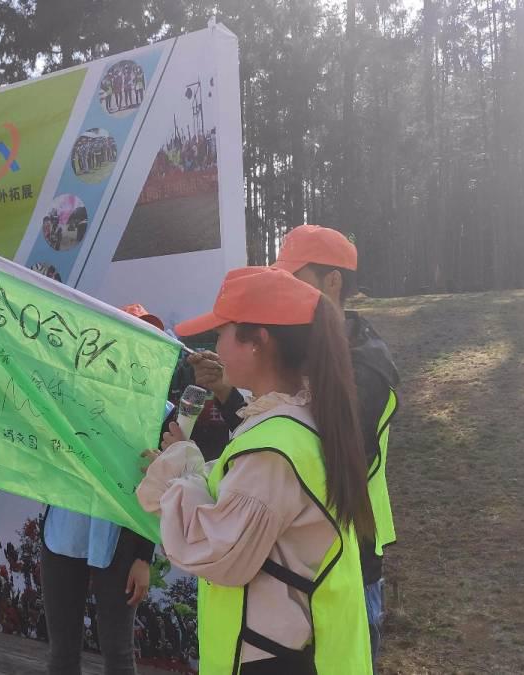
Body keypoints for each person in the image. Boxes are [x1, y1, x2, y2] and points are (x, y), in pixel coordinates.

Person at [137, 266, 374, 674]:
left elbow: (218, 549)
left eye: (221, 334)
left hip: (273, 660)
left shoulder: (273, 449)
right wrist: (187, 464)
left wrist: (175, 471)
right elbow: (236, 495)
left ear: (257, 342)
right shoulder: (298, 420)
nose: (214, 349)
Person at [190, 225, 401, 664]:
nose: (284, 286)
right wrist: (230, 392)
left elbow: (303, 453)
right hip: (299, 555)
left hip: (348, 557)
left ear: (333, 281)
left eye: (294, 276)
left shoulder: (366, 370)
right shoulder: (314, 361)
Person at [39, 305, 159, 675]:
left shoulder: (160, 411)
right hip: (63, 532)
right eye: (129, 335)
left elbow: (156, 490)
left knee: (118, 653)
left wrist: (144, 557)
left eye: (147, 337)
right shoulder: (69, 397)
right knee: (62, 653)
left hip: (121, 541)